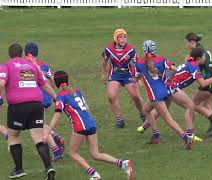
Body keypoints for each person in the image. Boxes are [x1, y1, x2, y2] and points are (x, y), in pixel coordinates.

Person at [43, 70, 134, 180]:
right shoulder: (77, 91)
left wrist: (48, 132)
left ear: (57, 83)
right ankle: (123, 163)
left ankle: (94, 174)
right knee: (95, 154)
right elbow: (87, 107)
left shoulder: (61, 96)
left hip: (80, 126)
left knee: (73, 153)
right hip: (91, 123)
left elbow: (57, 115)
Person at [137, 47, 212, 138]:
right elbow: (203, 84)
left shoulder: (191, 62)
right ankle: (189, 134)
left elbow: (184, 64)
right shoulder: (194, 67)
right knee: (190, 106)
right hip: (171, 87)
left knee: (161, 108)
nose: (205, 59)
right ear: (198, 59)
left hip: (164, 85)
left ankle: (144, 126)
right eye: (204, 57)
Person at [0, 43, 57, 179]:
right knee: (38, 137)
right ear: (21, 54)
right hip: (36, 105)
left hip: (18, 106)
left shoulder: (6, 66)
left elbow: (1, 83)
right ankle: (49, 168)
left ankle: (19, 169)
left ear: (10, 55)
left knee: (13, 135)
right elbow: (45, 86)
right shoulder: (31, 66)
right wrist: (56, 98)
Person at [135, 40, 193, 149]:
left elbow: (136, 77)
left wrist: (137, 80)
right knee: (146, 110)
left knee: (168, 119)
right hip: (165, 89)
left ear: (143, 50)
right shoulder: (162, 60)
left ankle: (185, 137)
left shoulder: (139, 63)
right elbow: (176, 70)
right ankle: (156, 134)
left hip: (155, 95)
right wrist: (169, 77)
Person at [24, 42, 64, 161]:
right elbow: (52, 80)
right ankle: (55, 137)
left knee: (38, 125)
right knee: (37, 123)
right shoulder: (44, 65)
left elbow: (27, 85)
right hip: (46, 98)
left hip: (36, 99)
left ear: (26, 53)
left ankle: (56, 151)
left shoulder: (26, 66)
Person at [101, 28, 146, 128]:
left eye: (125, 37)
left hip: (128, 74)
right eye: (120, 37)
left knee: (136, 97)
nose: (123, 39)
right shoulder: (109, 49)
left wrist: (139, 78)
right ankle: (119, 120)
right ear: (115, 38)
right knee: (111, 96)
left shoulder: (131, 49)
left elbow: (138, 64)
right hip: (115, 75)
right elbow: (104, 62)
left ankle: (143, 114)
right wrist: (103, 74)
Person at [185, 32, 212, 136]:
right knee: (207, 106)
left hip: (208, 81)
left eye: (186, 42)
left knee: (192, 105)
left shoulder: (195, 52)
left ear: (192, 42)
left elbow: (187, 64)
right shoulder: (202, 48)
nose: (186, 45)